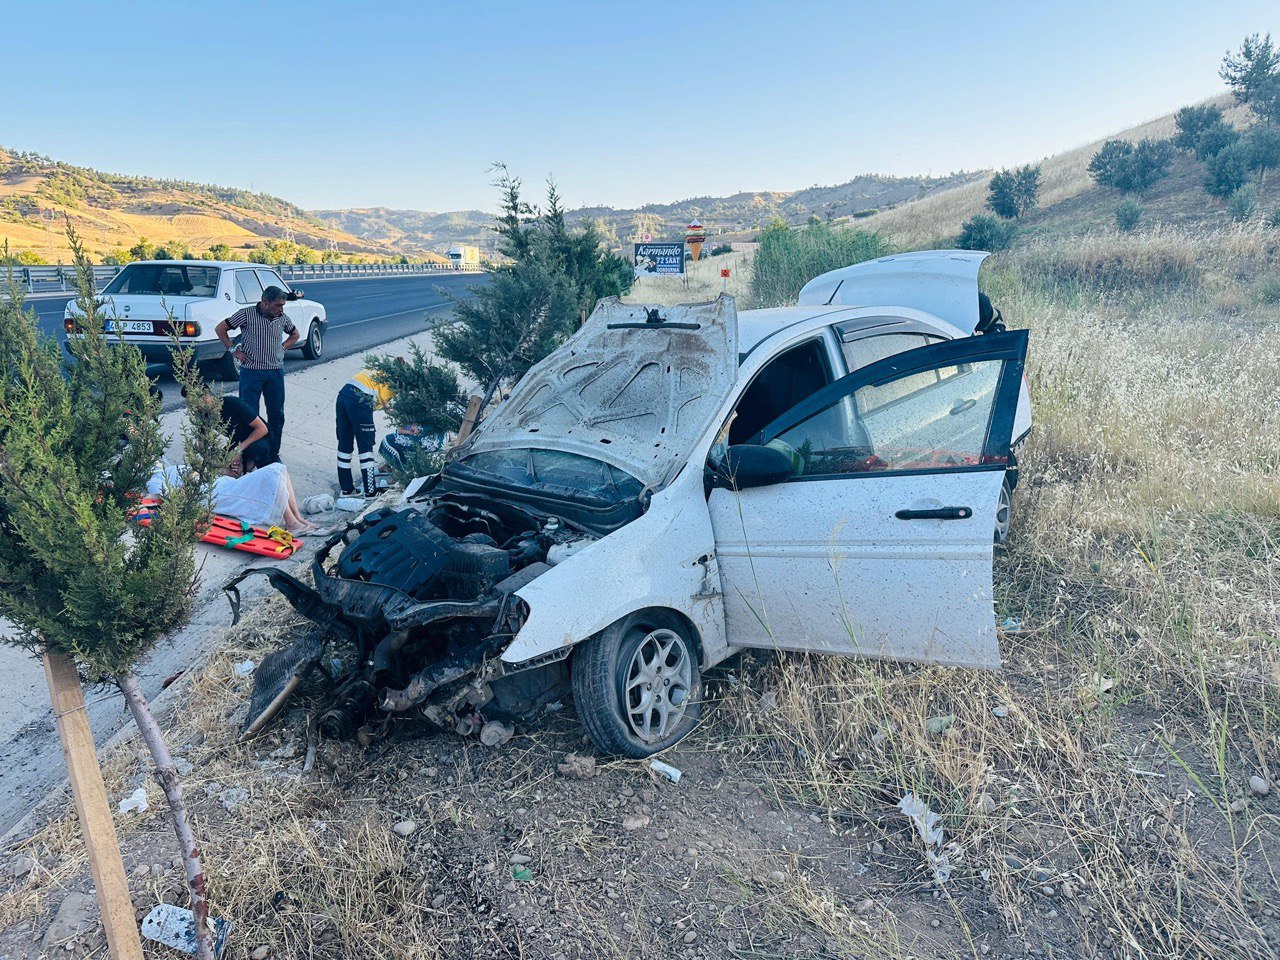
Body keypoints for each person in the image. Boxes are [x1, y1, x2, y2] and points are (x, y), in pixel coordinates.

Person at [214, 286, 298, 463]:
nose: (281, 309)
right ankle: (249, 454)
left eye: (283, 305)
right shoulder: (245, 314)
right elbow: (220, 328)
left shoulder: (282, 318)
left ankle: (272, 453)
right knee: (250, 415)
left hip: (275, 373)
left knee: (277, 414)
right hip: (251, 373)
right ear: (265, 302)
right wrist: (232, 350)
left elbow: (295, 334)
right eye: (277, 305)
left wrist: (282, 348)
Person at [148, 461, 318, 534]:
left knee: (280, 468)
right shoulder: (154, 479)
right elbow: (168, 496)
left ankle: (299, 519)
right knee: (271, 473)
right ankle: (292, 524)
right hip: (214, 493)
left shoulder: (169, 468)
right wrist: (190, 481)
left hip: (219, 483)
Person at [336, 368, 393, 499]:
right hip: (360, 400)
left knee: (344, 445)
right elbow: (387, 406)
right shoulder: (395, 382)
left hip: (343, 395)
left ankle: (347, 490)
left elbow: (382, 396)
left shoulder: (378, 370)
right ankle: (370, 491)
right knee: (366, 446)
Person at [191, 392, 271, 477]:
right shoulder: (203, 414)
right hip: (237, 441)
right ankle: (243, 469)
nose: (193, 407)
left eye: (194, 402)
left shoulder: (232, 403)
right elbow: (202, 445)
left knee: (257, 450)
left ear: (205, 397)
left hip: (260, 438)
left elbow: (262, 429)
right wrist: (215, 463)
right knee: (224, 466)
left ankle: (261, 471)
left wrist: (238, 450)